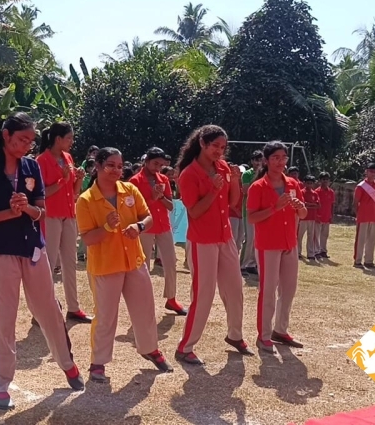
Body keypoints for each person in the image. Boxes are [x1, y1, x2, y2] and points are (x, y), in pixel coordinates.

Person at [0, 113, 85, 411]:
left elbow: (42, 211)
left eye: (31, 141)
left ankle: (68, 364)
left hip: (33, 248)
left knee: (49, 308)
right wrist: (6, 214)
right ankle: (1, 383)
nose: (27, 146)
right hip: (0, 250)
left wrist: (28, 209)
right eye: (22, 139)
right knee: (4, 318)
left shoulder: (32, 167)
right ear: (5, 135)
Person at [77, 146, 173, 381]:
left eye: (119, 166)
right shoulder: (86, 200)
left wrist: (139, 227)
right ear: (97, 166)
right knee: (106, 316)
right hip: (105, 266)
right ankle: (98, 362)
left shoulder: (129, 189)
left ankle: (150, 349)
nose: (116, 170)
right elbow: (88, 238)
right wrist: (107, 227)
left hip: (134, 261)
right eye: (110, 165)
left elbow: (148, 217)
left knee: (145, 309)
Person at [175, 125, 253, 365]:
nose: (219, 151)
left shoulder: (223, 168)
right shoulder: (188, 174)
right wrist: (213, 189)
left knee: (235, 289)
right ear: (202, 143)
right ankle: (185, 347)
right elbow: (195, 212)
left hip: (225, 237)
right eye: (215, 146)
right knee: (204, 294)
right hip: (202, 241)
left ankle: (235, 335)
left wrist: (235, 181)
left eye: (223, 147)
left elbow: (233, 202)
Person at [246, 141, 308, 354]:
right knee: (268, 290)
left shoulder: (292, 183)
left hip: (289, 242)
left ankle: (280, 330)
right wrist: (275, 207)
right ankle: (264, 336)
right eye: (275, 158)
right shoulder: (258, 187)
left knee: (288, 289)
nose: (280, 162)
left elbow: (303, 214)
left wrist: (300, 208)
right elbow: (252, 217)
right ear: (266, 160)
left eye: (283, 158)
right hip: (268, 245)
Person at [36, 122, 92, 323]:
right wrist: (63, 179)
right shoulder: (41, 161)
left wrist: (78, 179)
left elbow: (74, 191)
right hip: (50, 216)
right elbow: (41, 193)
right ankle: (41, 310)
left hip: (68, 214)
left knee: (70, 262)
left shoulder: (68, 157)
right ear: (58, 139)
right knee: (49, 263)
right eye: (69, 138)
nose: (72, 142)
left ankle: (73, 308)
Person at [129, 147, 186, 316]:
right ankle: (142, 301)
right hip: (145, 227)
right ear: (146, 161)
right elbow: (133, 209)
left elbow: (170, 206)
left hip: (163, 226)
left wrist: (160, 197)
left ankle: (171, 298)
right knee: (144, 265)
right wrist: (152, 199)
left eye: (161, 165)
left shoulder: (163, 179)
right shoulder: (134, 181)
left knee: (171, 263)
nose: (158, 168)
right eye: (155, 163)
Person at [354, 163, 375, 269]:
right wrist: (358, 214)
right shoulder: (361, 186)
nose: (373, 174)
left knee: (371, 240)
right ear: (366, 171)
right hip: (363, 216)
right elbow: (355, 202)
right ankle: (357, 261)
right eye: (371, 171)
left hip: (374, 216)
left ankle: (369, 261)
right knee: (360, 240)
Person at [240, 151, 263, 275]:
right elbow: (246, 190)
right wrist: (257, 177)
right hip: (248, 210)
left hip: (261, 211)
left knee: (257, 239)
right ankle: (242, 265)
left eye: (260, 160)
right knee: (249, 239)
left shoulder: (265, 174)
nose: (258, 163)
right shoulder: (247, 174)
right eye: (256, 160)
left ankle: (252, 264)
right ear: (252, 161)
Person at [297, 175, 320, 260]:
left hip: (312, 218)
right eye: (308, 183)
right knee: (299, 236)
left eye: (311, 183)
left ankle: (310, 253)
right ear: (304, 183)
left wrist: (308, 204)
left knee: (311, 236)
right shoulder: (301, 192)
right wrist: (312, 205)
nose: (309, 185)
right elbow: (302, 204)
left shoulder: (315, 193)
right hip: (303, 218)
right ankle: (298, 252)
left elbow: (318, 205)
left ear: (313, 184)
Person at [314, 172, 335, 259]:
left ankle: (323, 251)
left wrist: (331, 215)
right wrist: (316, 216)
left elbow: (332, 205)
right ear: (320, 180)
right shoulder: (316, 192)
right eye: (323, 179)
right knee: (316, 235)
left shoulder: (331, 192)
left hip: (327, 216)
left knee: (325, 235)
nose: (325, 181)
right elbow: (315, 205)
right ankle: (316, 251)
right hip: (318, 216)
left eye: (327, 179)